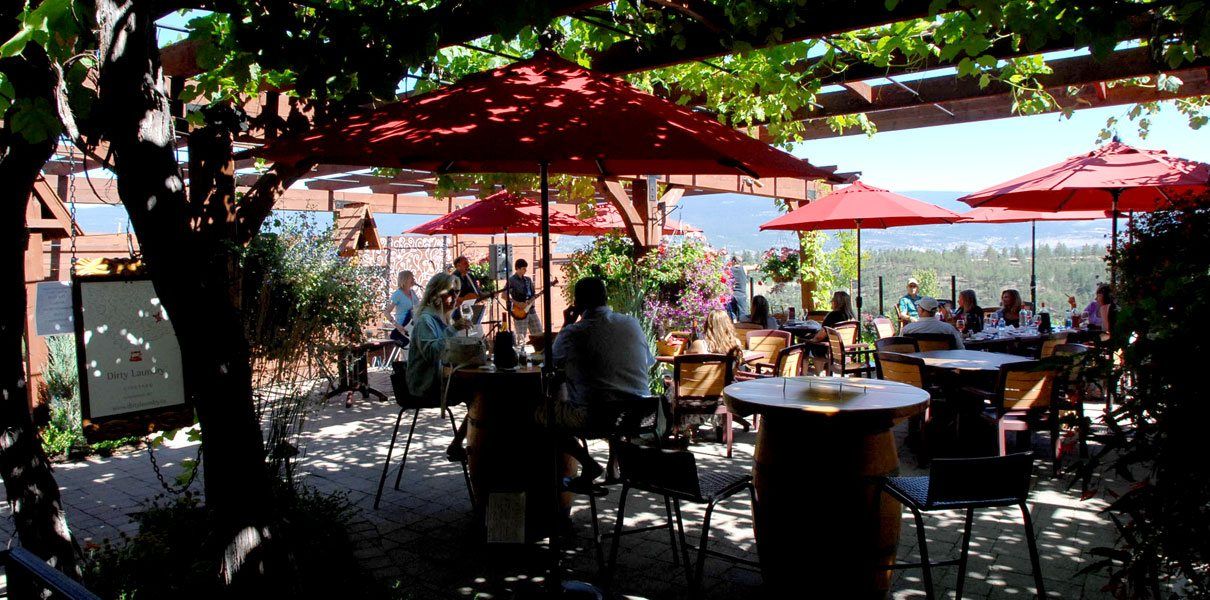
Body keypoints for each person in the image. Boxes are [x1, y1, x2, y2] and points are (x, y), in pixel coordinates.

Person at [550, 277, 655, 491]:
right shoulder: (631, 324)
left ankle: (588, 464)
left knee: (538, 413)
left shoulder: (573, 333)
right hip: (640, 416)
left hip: (594, 417)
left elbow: (552, 361)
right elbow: (648, 362)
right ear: (605, 298)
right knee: (614, 395)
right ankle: (614, 467)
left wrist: (566, 324)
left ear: (577, 304)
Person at [407, 273, 472, 461]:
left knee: (484, 393)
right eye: (450, 292)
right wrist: (453, 330)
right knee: (482, 395)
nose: (455, 297)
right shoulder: (426, 320)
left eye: (457, 292)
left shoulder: (441, 317)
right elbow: (433, 353)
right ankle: (461, 444)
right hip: (425, 385)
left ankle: (460, 444)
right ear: (436, 294)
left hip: (438, 380)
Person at [808, 291, 857, 373]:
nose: (831, 302)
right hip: (846, 349)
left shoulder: (833, 316)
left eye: (832, 300)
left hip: (830, 350)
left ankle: (817, 376)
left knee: (807, 347)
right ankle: (826, 374)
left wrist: (812, 340)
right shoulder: (852, 318)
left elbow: (820, 336)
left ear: (836, 302)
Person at [507, 258, 541, 344]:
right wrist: (518, 303)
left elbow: (533, 294)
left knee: (539, 334)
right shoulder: (512, 280)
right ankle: (521, 355)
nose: (525, 270)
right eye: (523, 268)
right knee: (521, 336)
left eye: (526, 268)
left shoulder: (528, 280)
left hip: (531, 310)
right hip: (519, 311)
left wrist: (531, 300)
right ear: (517, 268)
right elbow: (504, 295)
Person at [382, 270, 418, 347]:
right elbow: (386, 312)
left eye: (413, 277)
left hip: (413, 326)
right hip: (403, 328)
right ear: (404, 279)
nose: (413, 279)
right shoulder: (397, 294)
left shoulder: (413, 293)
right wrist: (397, 325)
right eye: (411, 277)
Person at [727, 256, 749, 321]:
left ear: (733, 261)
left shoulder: (729, 270)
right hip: (742, 294)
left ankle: (733, 328)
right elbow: (756, 267)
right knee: (743, 315)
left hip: (732, 294)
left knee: (732, 315)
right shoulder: (744, 268)